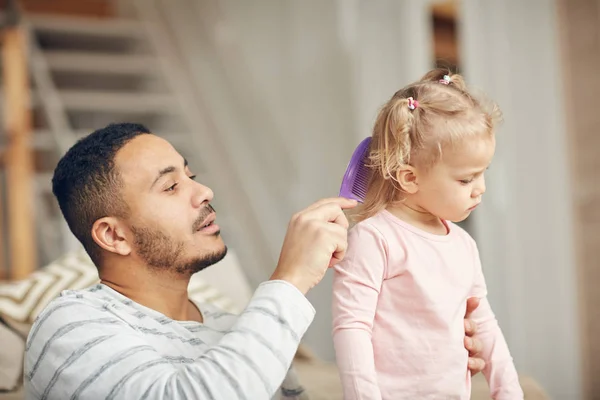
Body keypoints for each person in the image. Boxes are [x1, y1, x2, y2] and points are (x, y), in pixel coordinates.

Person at [24, 123, 485, 400]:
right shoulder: (70, 323)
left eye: (193, 176)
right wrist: (288, 281)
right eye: (170, 187)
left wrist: (415, 358)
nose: (203, 192)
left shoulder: (235, 329)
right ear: (112, 235)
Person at [332, 69, 523, 399]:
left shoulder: (463, 244)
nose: (481, 190)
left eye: (483, 174)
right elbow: (352, 327)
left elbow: (484, 323)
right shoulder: (375, 239)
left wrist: (508, 390)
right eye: (466, 179)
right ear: (409, 178)